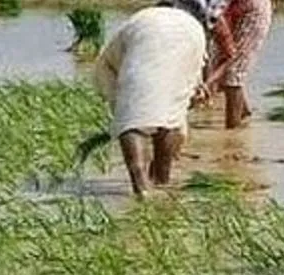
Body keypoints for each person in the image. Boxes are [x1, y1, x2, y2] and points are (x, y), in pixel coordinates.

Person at [91, 0, 234, 198]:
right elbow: (193, 79)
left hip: (150, 33)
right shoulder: (192, 20)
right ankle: (161, 180)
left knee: (132, 120)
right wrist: (199, 88)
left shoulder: (137, 23)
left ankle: (141, 186)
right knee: (172, 116)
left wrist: (124, 109)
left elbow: (107, 74)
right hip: (193, 35)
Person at [201, 0, 274, 129]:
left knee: (233, 73)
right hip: (230, 9)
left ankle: (232, 130)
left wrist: (208, 83)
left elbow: (230, 56)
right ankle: (243, 112)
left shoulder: (210, 12)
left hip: (252, 10)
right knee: (220, 63)